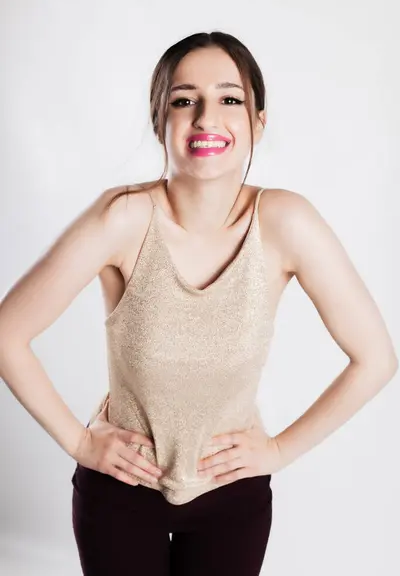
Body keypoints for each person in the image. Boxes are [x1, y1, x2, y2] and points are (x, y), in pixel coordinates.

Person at [0, 31, 397, 576]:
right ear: (159, 119)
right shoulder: (124, 218)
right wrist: (80, 442)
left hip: (231, 495)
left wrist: (278, 451)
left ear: (258, 121)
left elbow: (376, 359)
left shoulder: (286, 222)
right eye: (184, 100)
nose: (207, 118)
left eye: (230, 99)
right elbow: (7, 334)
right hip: (121, 490)